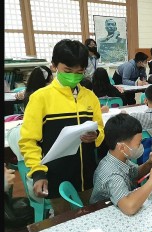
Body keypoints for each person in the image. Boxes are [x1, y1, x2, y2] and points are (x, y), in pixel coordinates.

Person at [18, 39, 105, 216]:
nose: (74, 75)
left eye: (79, 72)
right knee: (65, 221)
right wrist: (38, 173)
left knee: (90, 218)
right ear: (54, 66)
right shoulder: (40, 98)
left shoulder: (90, 97)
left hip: (87, 175)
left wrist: (96, 135)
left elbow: (101, 129)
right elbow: (28, 141)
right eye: (68, 70)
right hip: (57, 176)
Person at [89, 113, 152, 216]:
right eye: (138, 144)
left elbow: (135, 173)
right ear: (121, 147)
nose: (140, 147)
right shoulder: (112, 175)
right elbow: (129, 207)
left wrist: (149, 163)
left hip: (119, 207)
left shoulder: (119, 158)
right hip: (106, 215)